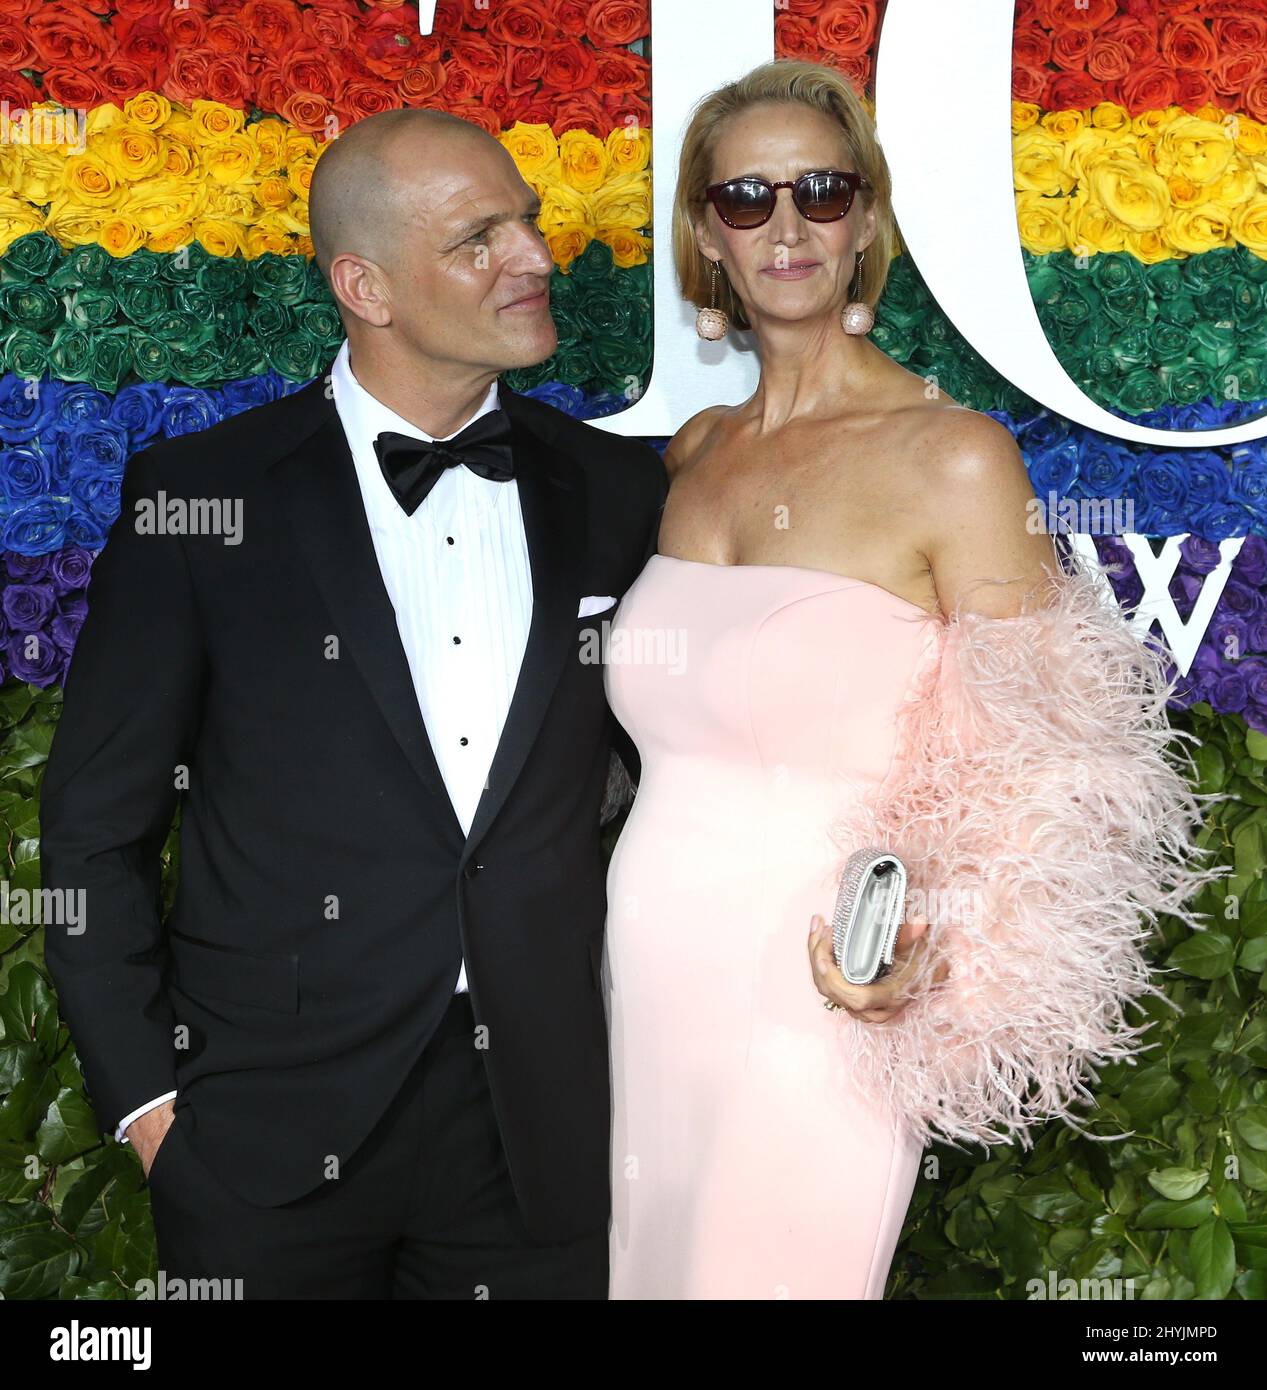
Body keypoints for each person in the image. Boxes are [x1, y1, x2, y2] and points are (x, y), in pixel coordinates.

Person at [602, 58, 1219, 1299]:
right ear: (703, 237)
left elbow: (1056, 773)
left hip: (826, 984)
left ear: (867, 222)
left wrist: (936, 951)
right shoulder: (695, 453)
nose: (787, 226)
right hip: (646, 972)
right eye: (745, 198)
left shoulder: (952, 458)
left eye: (822, 192)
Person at [39, 107, 666, 1299]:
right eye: (479, 239)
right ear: (364, 284)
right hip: (260, 1135)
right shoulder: (200, 501)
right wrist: (150, 1106)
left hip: (540, 1132)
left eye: (525, 221)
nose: (534, 257)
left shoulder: (619, 487)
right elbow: (91, 831)